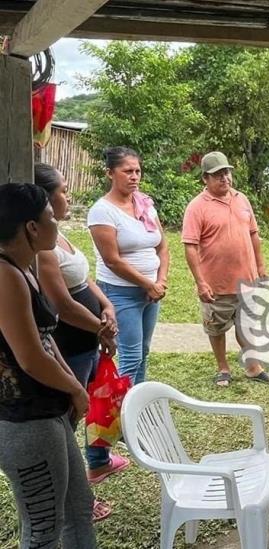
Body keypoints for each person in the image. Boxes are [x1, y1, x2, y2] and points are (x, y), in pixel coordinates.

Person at [0, 183, 96, 548]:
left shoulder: (24, 268)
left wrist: (74, 385)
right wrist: (74, 388)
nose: (57, 223)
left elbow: (44, 337)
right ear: (31, 228)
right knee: (42, 530)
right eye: (51, 217)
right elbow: (30, 357)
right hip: (24, 423)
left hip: (48, 413)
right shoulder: (5, 275)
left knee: (78, 508)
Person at [34, 163, 130, 511]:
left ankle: (91, 472)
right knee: (66, 425)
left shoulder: (58, 234)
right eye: (62, 190)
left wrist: (107, 307)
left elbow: (83, 280)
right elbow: (62, 304)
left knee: (83, 413)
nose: (68, 194)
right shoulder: (43, 248)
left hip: (87, 341)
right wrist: (102, 328)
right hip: (70, 345)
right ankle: (76, 501)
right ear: (44, 200)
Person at [181, 151, 269, 387]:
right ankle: (223, 368)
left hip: (247, 279)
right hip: (216, 283)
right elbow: (190, 247)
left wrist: (260, 266)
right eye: (218, 175)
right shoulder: (197, 207)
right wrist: (201, 282)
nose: (225, 178)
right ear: (205, 178)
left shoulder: (241, 199)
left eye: (227, 173)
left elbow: (254, 235)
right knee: (216, 327)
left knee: (248, 325)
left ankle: (253, 367)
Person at [88, 146, 170, 385]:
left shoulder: (144, 204)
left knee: (143, 352)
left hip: (151, 292)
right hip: (120, 292)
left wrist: (160, 281)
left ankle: (137, 407)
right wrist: (148, 283)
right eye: (127, 171)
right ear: (110, 173)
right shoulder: (102, 211)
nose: (134, 176)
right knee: (131, 356)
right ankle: (123, 413)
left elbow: (163, 246)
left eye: (138, 171)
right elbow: (112, 260)